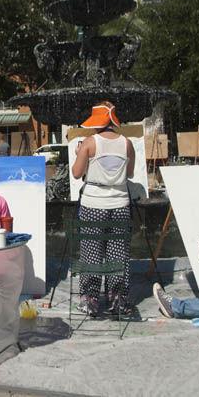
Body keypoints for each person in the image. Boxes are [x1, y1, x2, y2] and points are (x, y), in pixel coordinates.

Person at [71, 101, 135, 317]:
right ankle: (118, 301)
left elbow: (77, 173)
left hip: (93, 205)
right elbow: (131, 173)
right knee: (118, 255)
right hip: (120, 204)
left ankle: (90, 301)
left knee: (91, 254)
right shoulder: (127, 143)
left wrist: (79, 153)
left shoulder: (89, 143)